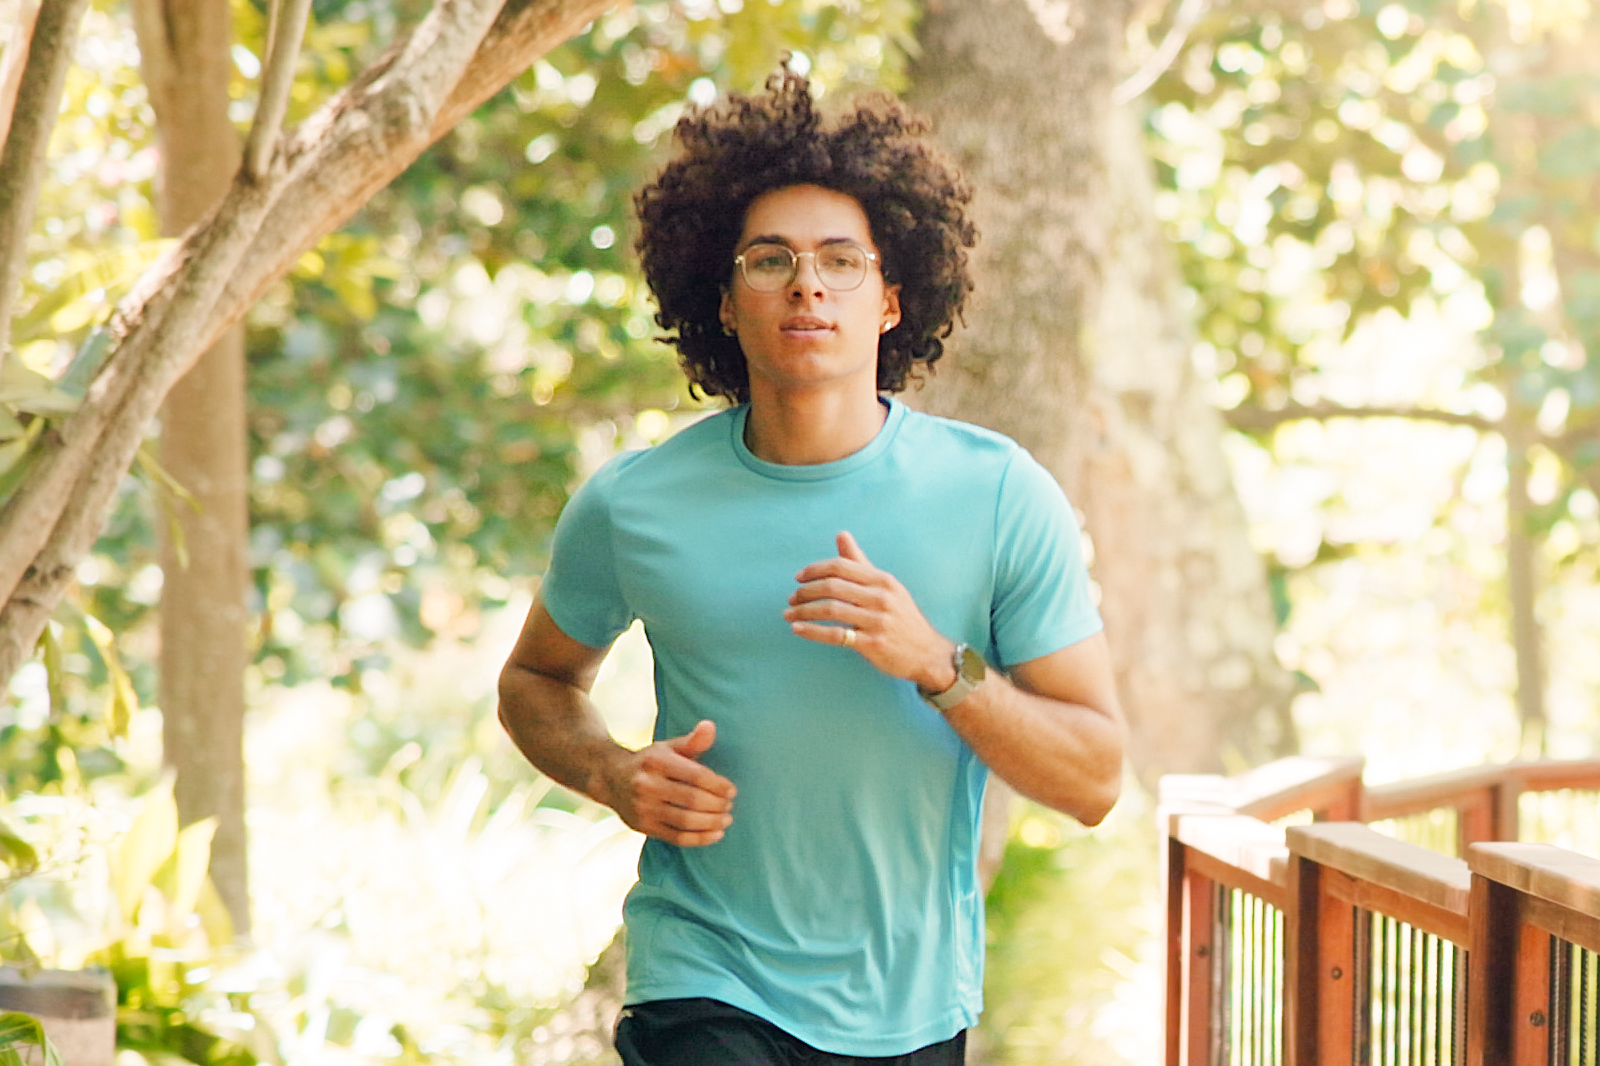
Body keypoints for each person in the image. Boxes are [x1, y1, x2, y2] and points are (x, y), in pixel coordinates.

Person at [497, 66, 1126, 1066]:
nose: (806, 284)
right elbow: (537, 680)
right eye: (770, 259)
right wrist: (610, 770)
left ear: (890, 299)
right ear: (722, 298)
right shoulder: (635, 500)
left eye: (841, 261)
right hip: (699, 976)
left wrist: (936, 663)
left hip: (909, 1003)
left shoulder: (999, 494)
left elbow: (1094, 777)